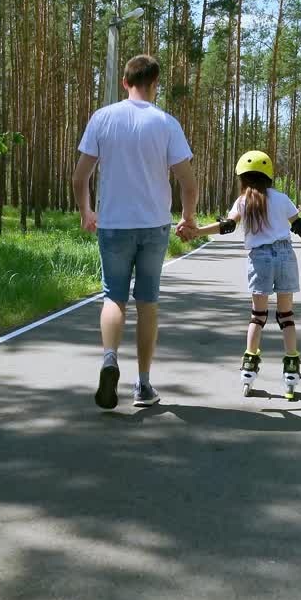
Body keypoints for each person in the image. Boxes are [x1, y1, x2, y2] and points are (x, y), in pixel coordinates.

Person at [72, 55, 199, 410]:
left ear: (125, 83)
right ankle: (142, 385)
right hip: (154, 225)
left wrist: (86, 212)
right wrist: (188, 219)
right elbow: (188, 184)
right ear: (154, 83)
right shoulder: (166, 123)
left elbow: (80, 177)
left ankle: (110, 358)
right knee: (147, 302)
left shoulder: (103, 118)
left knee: (113, 297)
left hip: (112, 224)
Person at [179, 150, 301, 398]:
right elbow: (300, 227)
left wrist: (197, 231)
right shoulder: (281, 198)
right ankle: (290, 371)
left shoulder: (243, 201)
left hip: (260, 258)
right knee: (286, 316)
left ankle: (248, 368)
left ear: (242, 178)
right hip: (286, 256)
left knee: (258, 317)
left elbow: (228, 226)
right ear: (268, 177)